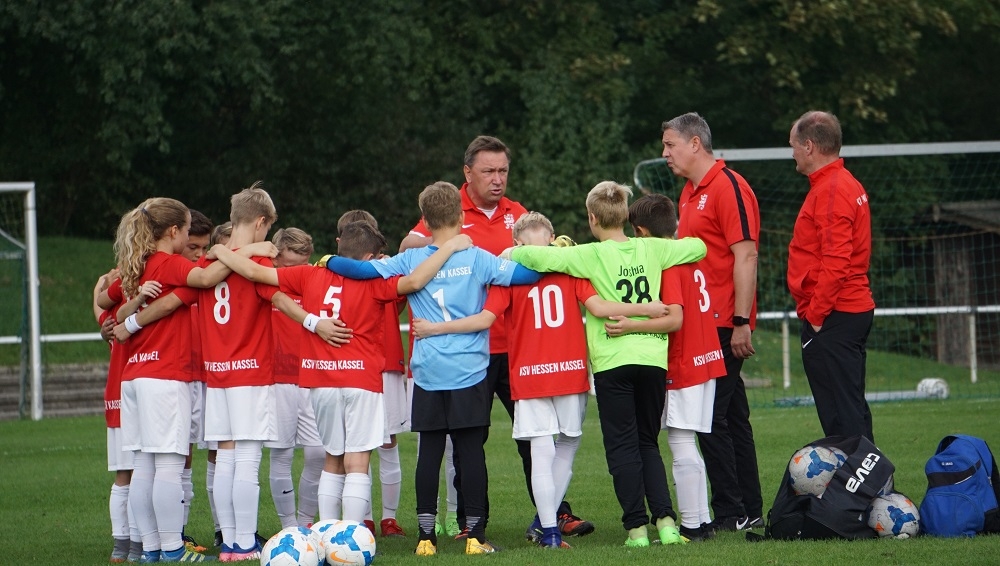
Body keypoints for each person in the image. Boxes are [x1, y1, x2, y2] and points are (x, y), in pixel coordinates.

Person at [410, 211, 669, 549]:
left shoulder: (509, 276)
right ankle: (546, 524)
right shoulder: (569, 268)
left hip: (529, 375)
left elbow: (484, 319)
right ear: (551, 238)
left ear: (517, 243)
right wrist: (647, 309)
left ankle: (548, 530)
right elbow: (600, 308)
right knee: (568, 444)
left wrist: (435, 328)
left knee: (541, 451)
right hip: (568, 371)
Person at [212, 214, 471, 528]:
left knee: (332, 459)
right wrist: (450, 246)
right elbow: (415, 282)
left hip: (320, 379)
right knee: (357, 460)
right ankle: (350, 536)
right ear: (368, 258)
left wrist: (221, 251)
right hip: (360, 379)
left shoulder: (309, 274)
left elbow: (254, 271)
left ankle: (326, 531)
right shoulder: (374, 281)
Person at [329, 182, 543, 556]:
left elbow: (358, 270)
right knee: (470, 452)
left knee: (429, 452)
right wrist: (529, 253)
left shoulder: (411, 260)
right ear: (461, 217)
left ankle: (426, 538)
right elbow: (529, 275)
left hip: (427, 371)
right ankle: (475, 536)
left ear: (425, 222)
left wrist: (326, 261)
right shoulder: (478, 258)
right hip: (469, 370)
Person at [399, 135, 594, 540]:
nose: (497, 179)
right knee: (469, 439)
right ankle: (471, 523)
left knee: (535, 438)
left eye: (503, 170)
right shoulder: (451, 210)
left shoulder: (517, 214)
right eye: (488, 171)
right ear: (467, 172)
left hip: (519, 348)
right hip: (471, 348)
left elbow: (543, 259)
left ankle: (554, 514)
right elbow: (410, 245)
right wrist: (449, 245)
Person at [510, 181, 707, 547]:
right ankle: (666, 524)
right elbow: (698, 247)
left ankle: (637, 530)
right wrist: (667, 248)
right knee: (648, 442)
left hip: (613, 361)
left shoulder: (587, 255)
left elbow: (534, 258)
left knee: (622, 447)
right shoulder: (651, 247)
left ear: (592, 218)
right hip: (652, 357)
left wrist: (516, 249)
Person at [112, 196, 267, 563]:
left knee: (143, 466)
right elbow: (207, 276)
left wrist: (128, 322)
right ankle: (172, 549)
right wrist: (248, 249)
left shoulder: (139, 263)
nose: (188, 239)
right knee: (168, 465)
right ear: (173, 231)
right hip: (165, 374)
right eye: (185, 230)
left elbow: (121, 303)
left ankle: (150, 548)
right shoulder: (169, 262)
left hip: (134, 374)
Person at [661, 111, 765, 531]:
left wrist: (741, 320)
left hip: (724, 322)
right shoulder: (689, 192)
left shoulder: (728, 186)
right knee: (731, 416)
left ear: (695, 144)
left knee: (710, 418)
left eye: (670, 144)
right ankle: (749, 507)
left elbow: (746, 255)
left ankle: (730, 511)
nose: (665, 153)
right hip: (705, 323)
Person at [606, 194, 728, 542]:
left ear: (642, 232)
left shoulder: (668, 263)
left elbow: (674, 319)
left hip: (685, 361)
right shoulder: (689, 253)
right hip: (707, 357)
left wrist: (630, 326)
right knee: (689, 440)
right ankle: (702, 521)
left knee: (681, 440)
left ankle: (691, 524)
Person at [787, 110, 876, 441]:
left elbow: (837, 261)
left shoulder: (832, 189)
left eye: (794, 146)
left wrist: (816, 316)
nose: (792, 153)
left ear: (809, 146)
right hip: (844, 310)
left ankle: (860, 473)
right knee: (849, 408)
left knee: (842, 415)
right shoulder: (841, 183)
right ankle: (866, 471)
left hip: (835, 313)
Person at [335, 210, 408, 538]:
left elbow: (398, 303)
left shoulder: (385, 271)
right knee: (355, 444)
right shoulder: (335, 272)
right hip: (351, 366)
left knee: (387, 441)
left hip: (386, 360)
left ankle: (388, 518)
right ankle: (363, 517)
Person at [265, 227, 326, 529]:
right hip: (277, 378)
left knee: (318, 453)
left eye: (302, 265)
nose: (294, 272)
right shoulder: (264, 284)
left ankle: (306, 523)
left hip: (310, 376)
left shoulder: (314, 282)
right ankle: (289, 527)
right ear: (275, 260)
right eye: (289, 266)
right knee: (282, 453)